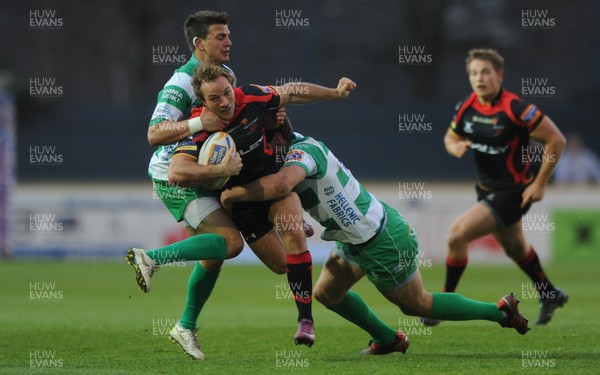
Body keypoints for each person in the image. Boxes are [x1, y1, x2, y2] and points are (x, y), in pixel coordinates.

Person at [219, 120, 531, 355]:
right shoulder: (289, 152)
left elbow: (282, 185)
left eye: (262, 142)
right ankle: (388, 340)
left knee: (418, 304)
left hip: (381, 239)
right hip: (355, 237)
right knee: (327, 294)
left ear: (276, 138)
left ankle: (499, 312)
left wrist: (233, 193)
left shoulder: (302, 152)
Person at [129, 64, 356, 358]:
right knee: (279, 264)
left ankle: (305, 321)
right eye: (214, 99)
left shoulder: (252, 96)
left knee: (294, 237)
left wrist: (335, 93)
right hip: (242, 204)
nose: (224, 102)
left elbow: (292, 92)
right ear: (203, 102)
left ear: (232, 87)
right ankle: (169, 291)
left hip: (272, 186)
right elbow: (176, 171)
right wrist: (221, 169)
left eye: (226, 93)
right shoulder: (201, 124)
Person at [138, 10, 302, 360]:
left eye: (229, 35)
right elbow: (154, 133)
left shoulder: (223, 76)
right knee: (229, 243)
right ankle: (150, 259)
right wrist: (197, 123)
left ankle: (184, 327)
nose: (229, 42)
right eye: (220, 37)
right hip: (177, 175)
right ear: (199, 44)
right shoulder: (181, 83)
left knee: (215, 255)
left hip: (213, 169)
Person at [422, 48, 568, 327]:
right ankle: (549, 293)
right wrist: (455, 146)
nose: (480, 78)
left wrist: (540, 183)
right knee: (514, 248)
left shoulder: (517, 109)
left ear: (499, 75)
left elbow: (556, 140)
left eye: (486, 72)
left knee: (456, 236)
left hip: (514, 192)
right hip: (486, 190)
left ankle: (443, 304)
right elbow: (450, 137)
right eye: (474, 73)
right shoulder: (466, 107)